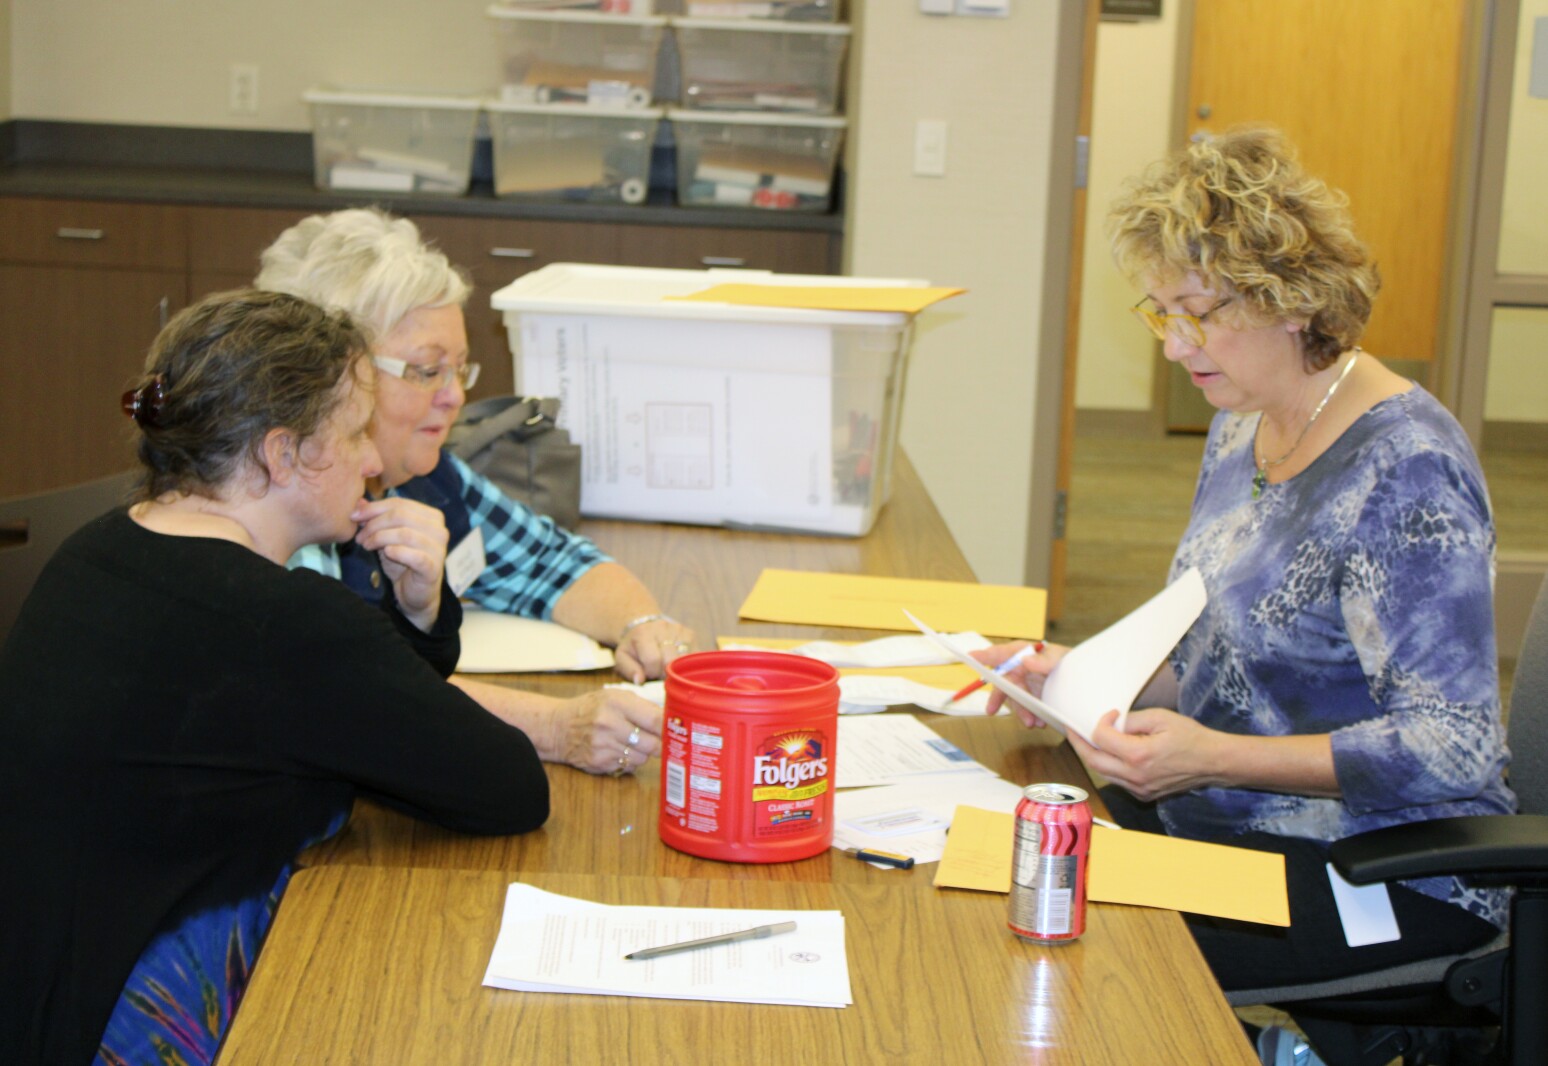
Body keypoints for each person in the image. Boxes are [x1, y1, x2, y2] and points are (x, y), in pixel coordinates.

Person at [982, 129, 1515, 1049]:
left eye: (1198, 312)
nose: (1174, 346)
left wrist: (1212, 758)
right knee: (1013, 846)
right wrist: (1082, 677)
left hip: (1384, 865)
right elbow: (1227, 663)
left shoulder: (1406, 469)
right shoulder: (1246, 425)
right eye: (1159, 314)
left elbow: (1455, 747)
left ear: (1292, 297)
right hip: (1234, 824)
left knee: (1064, 924)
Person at [0, 290, 549, 1065]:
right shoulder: (280, 621)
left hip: (44, 997)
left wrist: (418, 613)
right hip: (125, 1030)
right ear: (281, 454)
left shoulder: (96, 550)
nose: (371, 460)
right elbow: (508, 787)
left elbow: (371, 723)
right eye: (356, 431)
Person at [255, 208, 690, 776]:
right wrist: (557, 726)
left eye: (459, 369)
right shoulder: (286, 518)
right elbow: (356, 693)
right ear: (331, 377)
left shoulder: (423, 474)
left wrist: (642, 625)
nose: (455, 397)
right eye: (425, 371)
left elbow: (548, 561)